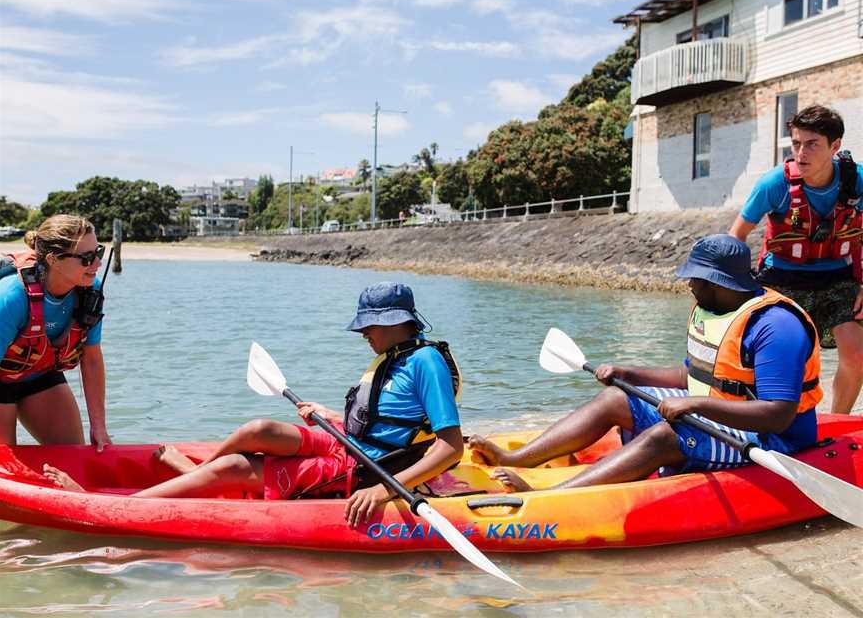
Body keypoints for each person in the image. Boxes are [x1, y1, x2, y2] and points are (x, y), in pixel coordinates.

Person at [44, 282, 464, 527]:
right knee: (259, 429)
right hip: (346, 444)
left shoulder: (426, 361)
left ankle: (121, 506)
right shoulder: (393, 355)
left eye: (368, 326)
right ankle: (199, 476)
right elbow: (387, 419)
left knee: (233, 467)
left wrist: (384, 490)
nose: (362, 335)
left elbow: (450, 446)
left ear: (393, 322)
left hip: (366, 469)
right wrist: (330, 416)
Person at [469, 234, 822, 492]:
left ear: (716, 281)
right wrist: (630, 373)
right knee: (616, 398)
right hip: (719, 417)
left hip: (773, 440)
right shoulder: (714, 310)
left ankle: (552, 498)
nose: (688, 283)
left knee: (666, 435)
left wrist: (695, 405)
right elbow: (692, 376)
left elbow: (779, 415)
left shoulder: (777, 327)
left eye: (693, 277)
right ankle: (517, 458)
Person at [729, 105, 863, 414]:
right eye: (796, 143)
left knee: (857, 356)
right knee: (780, 359)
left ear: (835, 146)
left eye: (812, 144)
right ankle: (762, 418)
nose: (801, 153)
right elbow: (735, 236)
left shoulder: (857, 182)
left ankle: (836, 423)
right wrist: (742, 289)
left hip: (838, 279)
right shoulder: (773, 184)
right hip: (781, 281)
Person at [0, 214, 110, 450]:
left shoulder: (90, 291)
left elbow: (91, 360)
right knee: (5, 464)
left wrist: (98, 426)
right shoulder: (11, 298)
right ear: (53, 259)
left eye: (98, 253)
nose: (97, 264)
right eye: (87, 258)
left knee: (73, 455)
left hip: (38, 375)